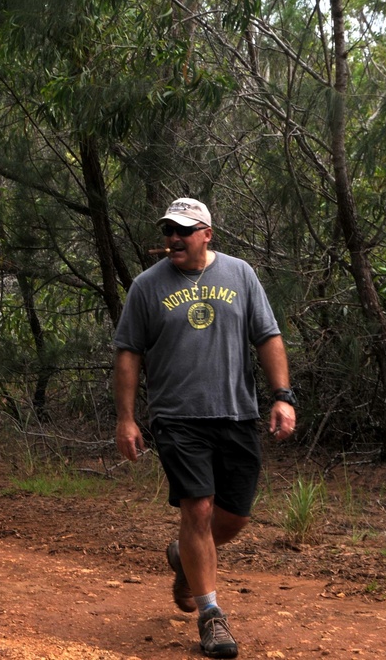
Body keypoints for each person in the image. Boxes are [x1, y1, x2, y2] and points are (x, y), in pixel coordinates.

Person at [112, 198, 297, 659]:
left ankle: (185, 558)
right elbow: (128, 353)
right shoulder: (146, 287)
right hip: (178, 417)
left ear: (207, 234)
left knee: (232, 516)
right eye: (168, 231)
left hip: (236, 413)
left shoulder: (240, 274)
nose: (174, 238)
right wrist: (127, 418)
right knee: (198, 508)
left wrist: (282, 396)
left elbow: (267, 336)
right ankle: (211, 615)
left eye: (184, 231)